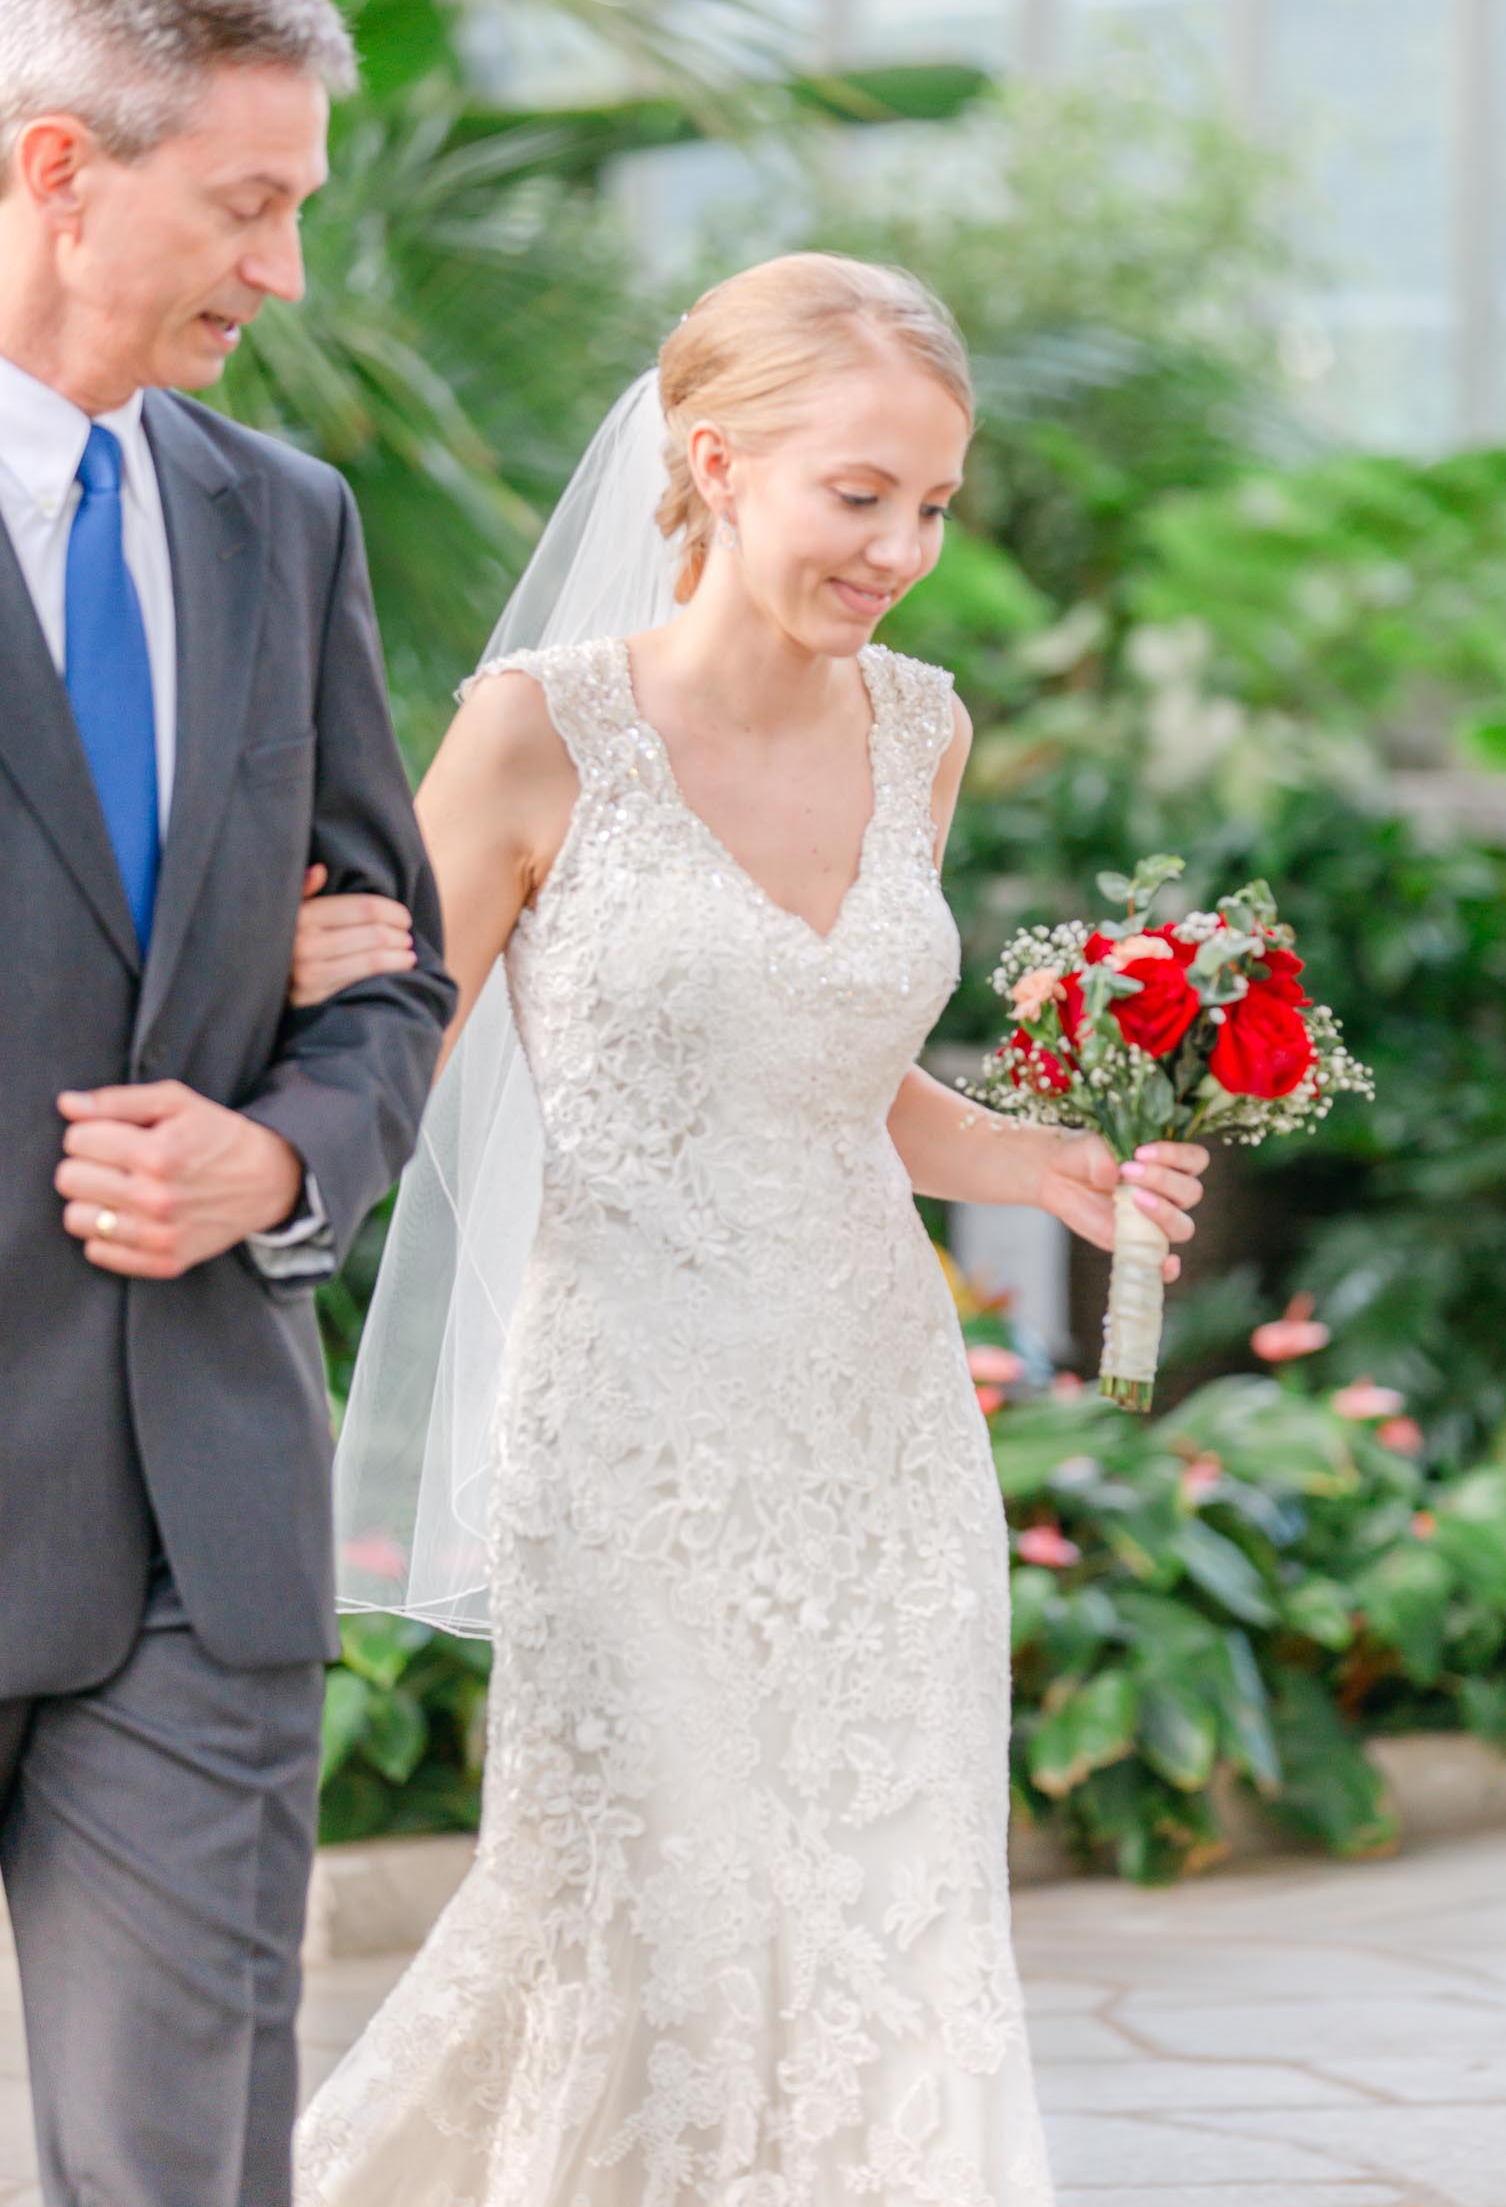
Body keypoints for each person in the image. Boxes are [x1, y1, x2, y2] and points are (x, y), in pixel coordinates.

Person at [290, 253, 1209, 2205]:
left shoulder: (925, 730)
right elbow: (389, 1060)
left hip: (878, 1431)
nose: (902, 546)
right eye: (859, 492)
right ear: (716, 461)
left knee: (893, 1918)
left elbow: (847, 1068)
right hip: (628, 1437)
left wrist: (1040, 1160)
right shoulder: (538, 731)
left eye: (936, 503)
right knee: (654, 1909)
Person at [0, 0, 454, 2207]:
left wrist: (278, 1157)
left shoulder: (289, 523)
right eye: (247, 204)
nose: (281, 272)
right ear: (60, 168)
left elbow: (394, 971)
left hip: (198, 1506)